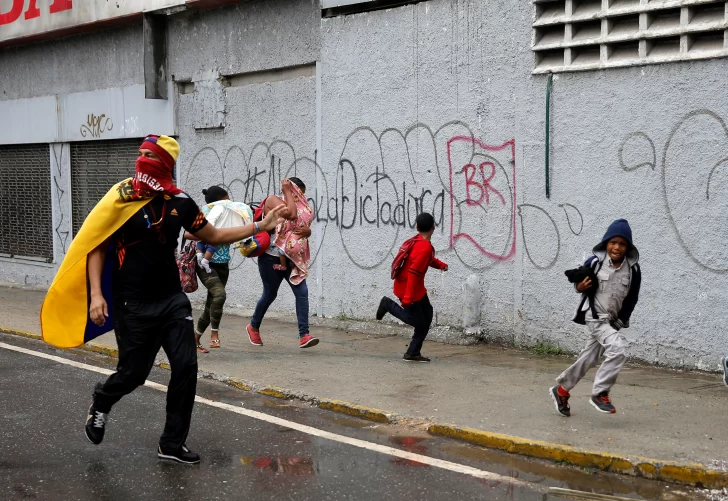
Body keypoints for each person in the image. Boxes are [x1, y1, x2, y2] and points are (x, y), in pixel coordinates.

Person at [81, 135, 285, 464]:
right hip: (131, 304)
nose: (142, 158)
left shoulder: (181, 203)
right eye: (141, 153)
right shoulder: (121, 199)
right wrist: (96, 295)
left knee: (187, 366)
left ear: (164, 163)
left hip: (172, 300)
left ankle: (172, 444)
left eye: (150, 154)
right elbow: (95, 247)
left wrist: (261, 224)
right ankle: (102, 401)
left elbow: (215, 235)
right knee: (134, 373)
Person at [550, 218, 641, 416]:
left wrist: (619, 321)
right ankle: (600, 393)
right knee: (618, 349)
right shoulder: (595, 263)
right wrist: (579, 287)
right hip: (595, 317)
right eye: (613, 242)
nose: (617, 247)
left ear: (628, 247)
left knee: (589, 358)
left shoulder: (633, 269)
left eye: (622, 244)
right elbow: (580, 282)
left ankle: (562, 390)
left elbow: (632, 298)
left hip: (611, 322)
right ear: (606, 244)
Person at [246, 177, 317, 348]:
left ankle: (304, 335)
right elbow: (291, 214)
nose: (301, 196)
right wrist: (286, 190)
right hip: (271, 258)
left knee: (302, 292)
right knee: (270, 294)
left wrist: (308, 231)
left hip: (291, 259)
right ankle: (253, 326)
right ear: (291, 189)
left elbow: (299, 226)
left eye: (302, 194)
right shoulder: (273, 201)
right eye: (298, 192)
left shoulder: (299, 207)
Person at [375, 212, 448, 362]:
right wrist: (407, 298)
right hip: (409, 288)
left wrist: (440, 265)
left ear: (417, 227)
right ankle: (387, 304)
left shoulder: (418, 242)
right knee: (416, 320)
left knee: (427, 314)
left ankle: (413, 352)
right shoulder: (424, 247)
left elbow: (425, 260)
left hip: (416, 289)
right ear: (433, 228)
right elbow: (414, 273)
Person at [192, 185, 233, 353]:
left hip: (222, 265)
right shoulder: (206, 215)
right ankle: (214, 333)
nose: (230, 200)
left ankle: (194, 340)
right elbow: (189, 233)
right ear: (222, 200)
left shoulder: (230, 215)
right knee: (220, 295)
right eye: (227, 198)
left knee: (212, 303)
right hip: (204, 264)